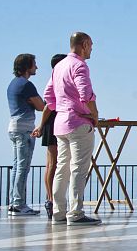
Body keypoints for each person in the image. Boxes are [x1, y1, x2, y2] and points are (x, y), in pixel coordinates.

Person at [43, 32, 100, 225]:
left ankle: (58, 212)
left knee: (62, 169)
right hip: (78, 123)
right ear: (83, 44)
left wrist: (61, 107)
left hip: (60, 123)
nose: (92, 48)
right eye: (91, 45)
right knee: (78, 169)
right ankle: (75, 213)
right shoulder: (79, 65)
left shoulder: (59, 66)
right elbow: (86, 94)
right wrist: (94, 114)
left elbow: (49, 96)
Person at [7, 53, 44, 215]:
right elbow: (41, 106)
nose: (36, 67)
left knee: (17, 166)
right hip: (24, 130)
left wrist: (33, 103)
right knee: (23, 167)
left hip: (14, 127)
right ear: (28, 66)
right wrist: (36, 103)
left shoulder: (13, 84)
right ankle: (19, 205)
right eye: (34, 64)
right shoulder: (27, 85)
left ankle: (14, 202)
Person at [32, 54, 68, 217]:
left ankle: (51, 199)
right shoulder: (57, 80)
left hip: (53, 122)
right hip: (53, 122)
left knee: (51, 163)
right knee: (53, 163)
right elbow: (48, 106)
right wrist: (40, 126)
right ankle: (51, 200)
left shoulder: (55, 79)